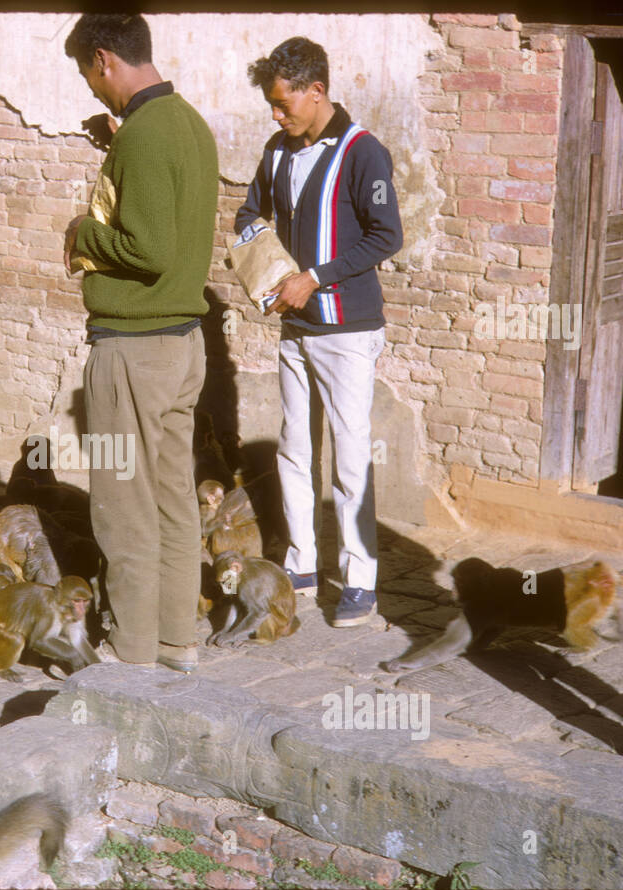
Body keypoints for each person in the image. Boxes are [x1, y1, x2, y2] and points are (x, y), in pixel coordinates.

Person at [62, 14, 219, 671]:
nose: (94, 91)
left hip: (134, 347)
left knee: (124, 508)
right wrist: (118, 147)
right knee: (174, 500)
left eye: (88, 77)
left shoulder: (143, 139)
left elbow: (146, 248)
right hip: (183, 343)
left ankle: (128, 651)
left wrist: (80, 232)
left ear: (105, 60)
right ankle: (177, 637)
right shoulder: (187, 124)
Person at [235, 36, 403, 627]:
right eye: (272, 107)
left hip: (347, 330)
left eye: (284, 104)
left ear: (317, 91)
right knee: (293, 448)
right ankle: (302, 563)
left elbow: (387, 236)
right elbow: (248, 214)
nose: (277, 116)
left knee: (350, 455)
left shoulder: (364, 153)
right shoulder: (277, 151)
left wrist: (314, 277)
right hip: (294, 325)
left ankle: (361, 581)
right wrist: (269, 273)